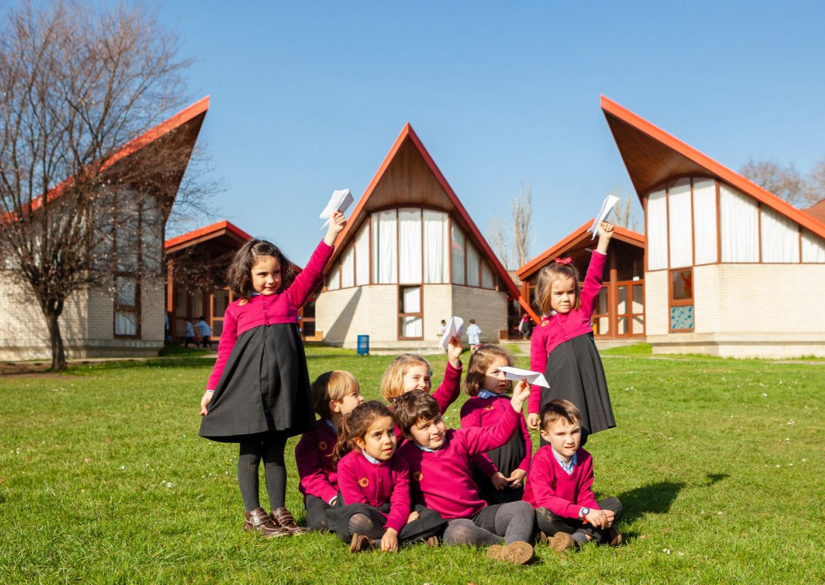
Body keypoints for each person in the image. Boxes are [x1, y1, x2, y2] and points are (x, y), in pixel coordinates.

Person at [198, 210, 346, 538]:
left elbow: (313, 271)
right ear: (247, 274)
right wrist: (212, 390)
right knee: (250, 450)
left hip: (282, 389)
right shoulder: (236, 309)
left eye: (276, 273)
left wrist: (331, 234)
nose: (270, 280)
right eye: (263, 274)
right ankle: (254, 514)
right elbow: (225, 353)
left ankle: (279, 512)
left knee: (276, 449)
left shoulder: (290, 299)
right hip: (246, 391)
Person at [394, 386, 537, 565]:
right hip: (449, 524)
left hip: (479, 513)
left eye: (437, 420)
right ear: (408, 434)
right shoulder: (404, 457)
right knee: (461, 533)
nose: (435, 430)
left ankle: (516, 545)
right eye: (424, 427)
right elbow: (397, 492)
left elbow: (498, 435)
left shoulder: (459, 438)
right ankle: (504, 545)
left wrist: (516, 403)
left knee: (523, 508)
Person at [528, 221, 617, 447]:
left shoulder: (582, 311)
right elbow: (537, 371)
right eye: (558, 293)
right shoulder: (541, 331)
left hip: (580, 389)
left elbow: (594, 280)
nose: (566, 298)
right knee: (552, 440)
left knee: (576, 436)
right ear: (546, 295)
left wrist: (603, 241)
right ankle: (546, 479)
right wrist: (533, 409)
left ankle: (576, 477)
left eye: (570, 292)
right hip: (555, 391)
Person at [326, 401, 446, 552]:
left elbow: (400, 502)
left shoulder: (400, 463)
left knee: (433, 518)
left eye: (390, 432)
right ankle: (413, 536)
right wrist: (398, 522)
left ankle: (374, 543)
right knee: (358, 521)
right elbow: (357, 504)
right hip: (362, 513)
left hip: (391, 511)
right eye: (377, 435)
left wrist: (393, 530)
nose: (388, 440)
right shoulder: (347, 465)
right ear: (360, 442)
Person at [523, 399, 622, 550]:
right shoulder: (541, 460)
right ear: (545, 435)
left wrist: (595, 514)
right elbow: (545, 500)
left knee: (614, 505)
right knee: (542, 516)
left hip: (574, 513)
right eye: (561, 434)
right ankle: (591, 535)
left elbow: (585, 495)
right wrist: (585, 512)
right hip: (547, 513)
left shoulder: (585, 458)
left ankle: (573, 539)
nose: (569, 440)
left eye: (575, 431)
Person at [460, 345, 532, 505]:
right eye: (496, 372)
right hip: (488, 477)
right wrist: (492, 474)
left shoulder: (512, 402)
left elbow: (525, 437)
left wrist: (523, 468)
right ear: (479, 375)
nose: (503, 378)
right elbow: (473, 447)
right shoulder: (473, 406)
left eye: (506, 372)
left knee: (519, 510)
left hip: (514, 474)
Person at [295, 370, 364, 532]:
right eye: (354, 395)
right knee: (320, 521)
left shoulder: (361, 428)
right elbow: (310, 476)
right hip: (322, 494)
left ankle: (352, 517)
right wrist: (332, 498)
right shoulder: (313, 434)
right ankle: (347, 518)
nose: (361, 398)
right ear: (335, 405)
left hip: (353, 488)